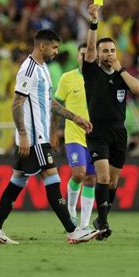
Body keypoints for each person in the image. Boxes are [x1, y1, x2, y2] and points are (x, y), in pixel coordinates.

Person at [0, 29, 99, 245]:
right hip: (34, 138)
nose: (57, 52)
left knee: (17, 181)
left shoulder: (43, 69)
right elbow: (16, 104)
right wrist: (24, 135)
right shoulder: (28, 69)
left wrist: (75, 118)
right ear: (42, 46)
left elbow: (50, 102)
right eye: (54, 47)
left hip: (39, 137)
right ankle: (73, 230)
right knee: (52, 178)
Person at [82, 4, 139, 240]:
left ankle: (102, 218)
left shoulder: (121, 76)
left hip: (119, 132)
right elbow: (89, 46)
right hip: (97, 132)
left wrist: (121, 69)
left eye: (111, 50)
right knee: (104, 176)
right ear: (97, 54)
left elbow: (138, 89)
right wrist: (94, 21)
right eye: (104, 51)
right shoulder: (91, 71)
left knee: (113, 181)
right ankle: (103, 222)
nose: (108, 54)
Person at [54, 43, 96, 230]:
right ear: (77, 57)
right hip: (74, 135)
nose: (85, 57)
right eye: (82, 54)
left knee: (91, 179)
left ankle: (85, 224)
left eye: (89, 54)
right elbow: (56, 105)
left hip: (96, 136)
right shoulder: (67, 78)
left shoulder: (100, 78)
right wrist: (53, 131)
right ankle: (71, 210)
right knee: (79, 174)